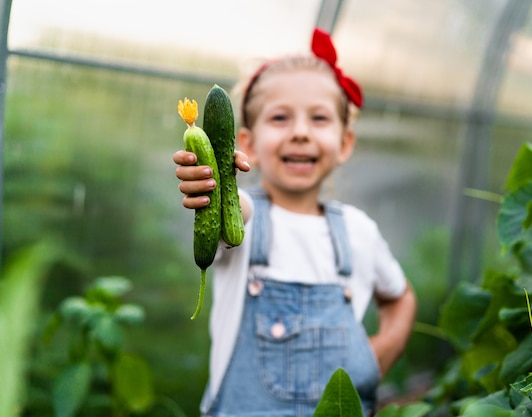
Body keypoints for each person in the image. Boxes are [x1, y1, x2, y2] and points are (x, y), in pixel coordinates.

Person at [173, 27, 417, 417]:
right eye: (281, 118)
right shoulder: (245, 218)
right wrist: (213, 186)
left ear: (345, 143)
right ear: (247, 143)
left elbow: (400, 296)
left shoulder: (359, 231)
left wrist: (380, 354)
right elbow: (229, 225)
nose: (300, 133)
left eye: (319, 118)